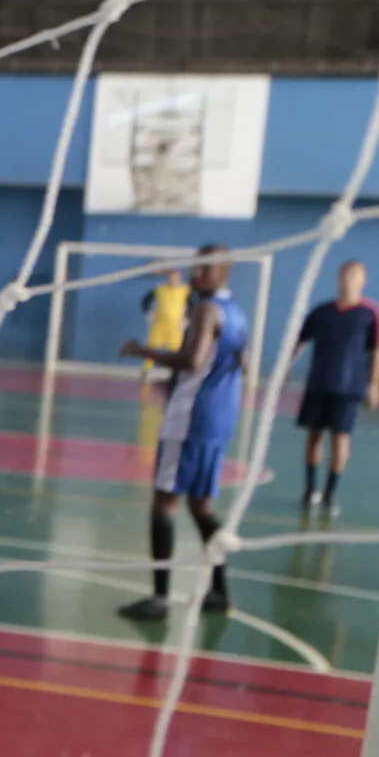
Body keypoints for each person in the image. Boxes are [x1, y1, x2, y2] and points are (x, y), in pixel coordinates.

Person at [117, 244, 249, 621]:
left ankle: (159, 598)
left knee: (164, 503)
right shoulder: (237, 313)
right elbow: (236, 362)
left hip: (190, 420)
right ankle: (220, 591)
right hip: (217, 418)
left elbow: (193, 359)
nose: (195, 276)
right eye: (195, 269)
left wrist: (142, 350)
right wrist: (176, 382)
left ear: (223, 271)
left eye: (204, 270)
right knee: (201, 506)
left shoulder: (207, 310)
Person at [290, 260, 379, 516]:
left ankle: (330, 493)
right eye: (345, 274)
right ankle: (310, 490)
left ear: (363, 281)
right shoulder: (321, 312)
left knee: (340, 438)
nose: (348, 279)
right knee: (313, 436)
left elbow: (377, 351)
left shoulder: (370, 313)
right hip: (319, 383)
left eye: (355, 275)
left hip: (349, 387)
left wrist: (374, 384)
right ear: (337, 277)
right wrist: (284, 367)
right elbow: (298, 342)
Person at [139, 268, 189, 387]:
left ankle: (175, 374)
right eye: (172, 276)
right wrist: (148, 314)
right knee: (152, 347)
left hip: (175, 326)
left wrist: (187, 319)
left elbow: (193, 304)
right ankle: (146, 372)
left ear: (180, 278)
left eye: (176, 277)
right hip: (159, 324)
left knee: (176, 350)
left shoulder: (185, 291)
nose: (174, 279)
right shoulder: (160, 289)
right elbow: (145, 301)